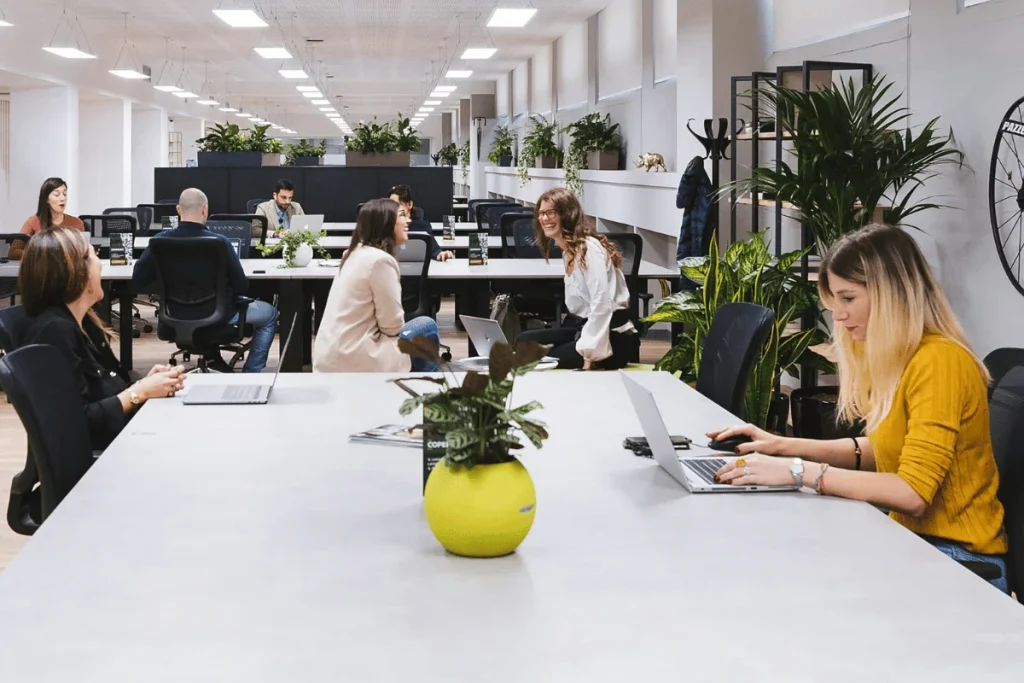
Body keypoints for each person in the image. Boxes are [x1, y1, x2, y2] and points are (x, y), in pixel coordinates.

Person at [709, 224, 1009, 593]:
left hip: (958, 560)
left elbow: (912, 493)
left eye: (848, 298)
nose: (837, 315)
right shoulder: (905, 356)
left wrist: (798, 472)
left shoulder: (940, 361)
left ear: (892, 293)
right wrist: (782, 446)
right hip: (917, 542)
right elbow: (889, 447)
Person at [18, 228, 185, 451]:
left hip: (121, 439)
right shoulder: (54, 333)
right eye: (94, 255)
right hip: (105, 457)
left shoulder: (86, 323)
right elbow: (77, 423)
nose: (101, 264)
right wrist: (140, 392)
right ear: (76, 272)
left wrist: (146, 385)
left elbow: (103, 390)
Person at [133, 188, 278, 373]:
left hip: (173, 314)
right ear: (205, 210)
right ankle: (251, 373)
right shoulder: (220, 242)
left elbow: (139, 278)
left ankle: (213, 357)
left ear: (178, 210)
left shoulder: (159, 242)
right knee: (270, 314)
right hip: (218, 315)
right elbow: (242, 286)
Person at [314, 198, 440, 373]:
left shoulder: (353, 254)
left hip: (329, 356)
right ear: (386, 223)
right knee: (426, 325)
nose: (408, 220)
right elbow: (393, 326)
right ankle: (429, 388)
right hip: (356, 357)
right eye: (402, 215)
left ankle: (419, 385)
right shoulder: (380, 261)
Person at [517, 188, 638, 370]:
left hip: (611, 338)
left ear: (567, 215)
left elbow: (601, 303)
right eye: (541, 213)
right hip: (585, 329)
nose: (544, 218)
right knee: (524, 342)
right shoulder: (568, 252)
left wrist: (588, 355)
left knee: (531, 357)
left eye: (551, 212)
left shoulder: (588, 249)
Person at [9, 177, 86, 259]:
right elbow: (13, 252)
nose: (62, 198)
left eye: (64, 194)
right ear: (46, 199)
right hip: (42, 266)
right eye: (56, 195)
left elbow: (84, 252)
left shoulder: (77, 223)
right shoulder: (33, 221)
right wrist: (42, 254)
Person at [388, 184, 455, 262]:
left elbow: (434, 249)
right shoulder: (387, 226)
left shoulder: (422, 227)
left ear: (410, 204)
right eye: (391, 205)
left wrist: (440, 254)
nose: (393, 209)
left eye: (397, 204)